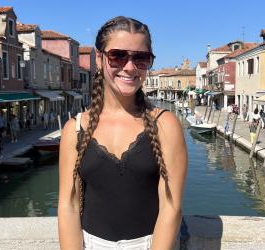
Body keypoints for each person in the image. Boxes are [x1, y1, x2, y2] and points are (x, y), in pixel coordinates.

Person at [58, 16, 187, 249]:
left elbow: (171, 207)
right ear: (99, 59)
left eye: (140, 58)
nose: (129, 67)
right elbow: (68, 205)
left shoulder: (165, 125)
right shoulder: (75, 129)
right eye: (117, 56)